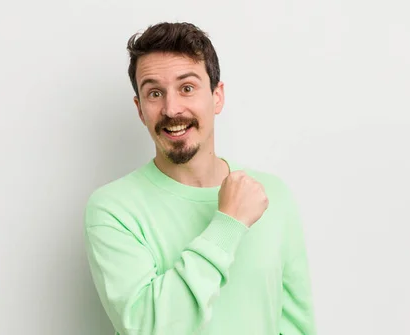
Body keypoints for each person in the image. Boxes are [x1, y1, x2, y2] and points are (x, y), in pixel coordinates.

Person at [84, 22, 316, 335]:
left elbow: (297, 326)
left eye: (187, 88)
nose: (172, 108)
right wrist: (227, 225)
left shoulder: (271, 194)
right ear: (140, 110)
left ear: (217, 97)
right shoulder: (113, 209)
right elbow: (148, 328)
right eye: (154, 93)